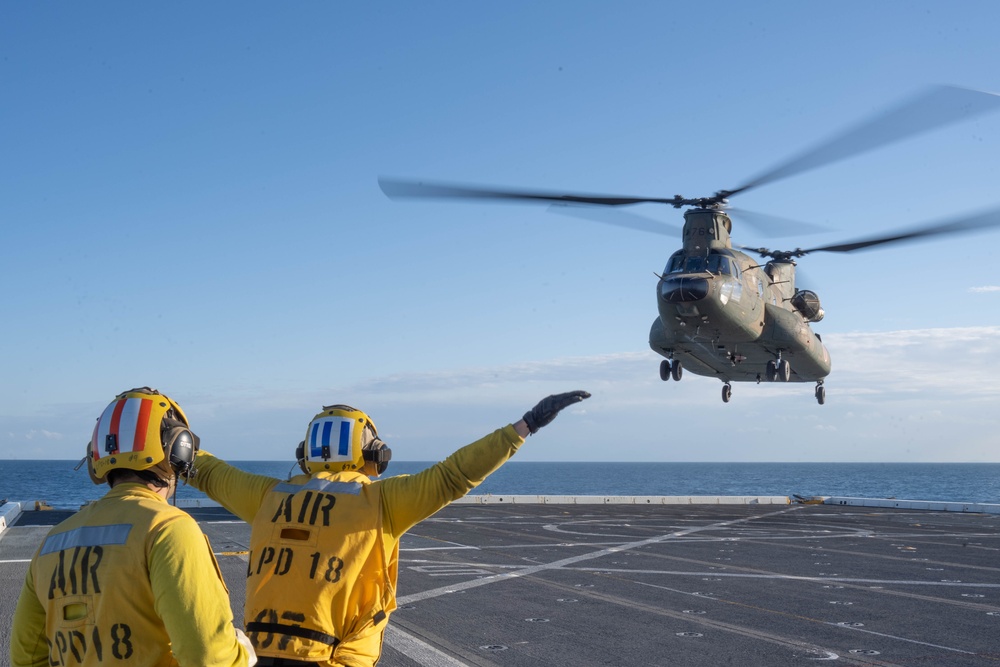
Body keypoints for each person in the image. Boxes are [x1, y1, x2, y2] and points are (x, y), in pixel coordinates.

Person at [188, 390, 590, 667]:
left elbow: (206, 471)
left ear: (305, 454)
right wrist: (524, 427)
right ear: (373, 454)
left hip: (261, 652)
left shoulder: (267, 495)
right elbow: (454, 475)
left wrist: (174, 440)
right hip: (336, 657)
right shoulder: (380, 501)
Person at [10, 387, 256, 667]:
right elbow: (210, 659)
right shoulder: (169, 530)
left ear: (96, 455)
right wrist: (244, 655)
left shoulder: (52, 542)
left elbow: (25, 658)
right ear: (179, 450)